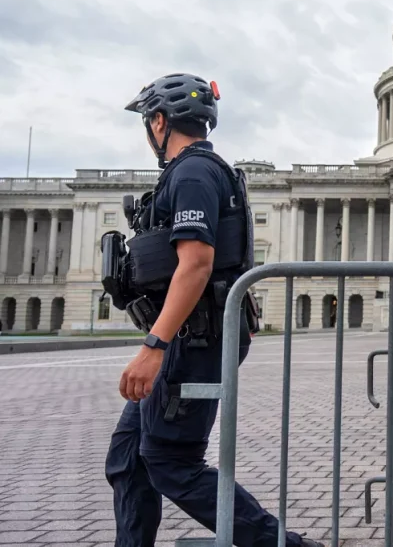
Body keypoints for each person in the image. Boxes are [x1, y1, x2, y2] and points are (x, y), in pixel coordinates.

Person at [103, 74, 323, 547]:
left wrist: (154, 345)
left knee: (171, 462)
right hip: (188, 334)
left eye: (148, 122)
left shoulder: (193, 173)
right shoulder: (189, 172)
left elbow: (196, 264)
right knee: (128, 456)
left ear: (159, 122)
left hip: (192, 339)